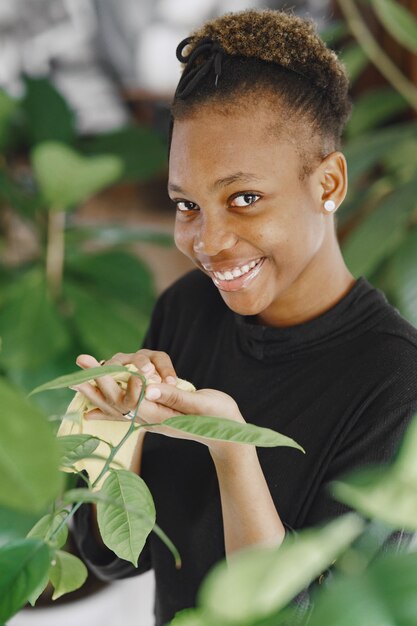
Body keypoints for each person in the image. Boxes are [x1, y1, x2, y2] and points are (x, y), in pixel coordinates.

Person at [72, 8, 417, 626]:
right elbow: (115, 555)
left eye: (244, 198)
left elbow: (302, 618)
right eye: (187, 205)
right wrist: (108, 435)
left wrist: (233, 450)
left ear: (329, 184)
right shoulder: (188, 310)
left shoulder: (397, 383)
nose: (209, 241)